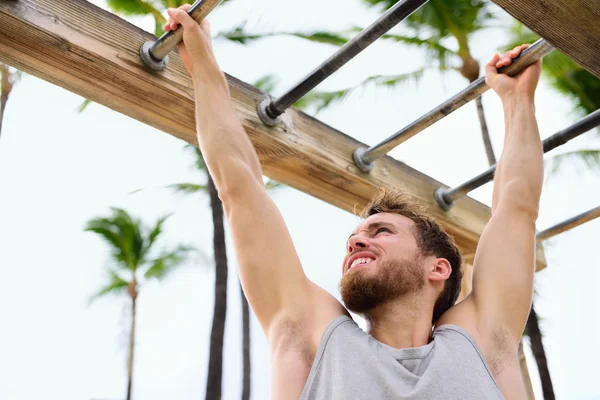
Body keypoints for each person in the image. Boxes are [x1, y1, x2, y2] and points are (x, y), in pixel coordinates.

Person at [164, 5, 543, 399]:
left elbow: (517, 207)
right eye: (356, 237)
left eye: (381, 231)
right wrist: (203, 64)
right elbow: (239, 186)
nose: (356, 243)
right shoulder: (314, 338)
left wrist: (518, 101)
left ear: (439, 268)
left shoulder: (480, 342)